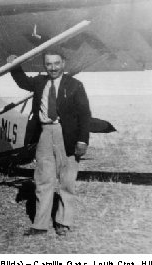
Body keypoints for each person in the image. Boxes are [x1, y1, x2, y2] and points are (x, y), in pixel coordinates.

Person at [7, 50, 91, 236]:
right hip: (45, 133)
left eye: (56, 63)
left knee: (67, 180)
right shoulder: (39, 82)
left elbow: (85, 115)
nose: (53, 68)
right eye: (49, 64)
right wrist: (14, 64)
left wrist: (83, 140)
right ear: (44, 65)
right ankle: (40, 224)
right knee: (43, 179)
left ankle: (63, 222)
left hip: (67, 135)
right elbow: (22, 81)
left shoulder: (75, 85)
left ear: (64, 63)